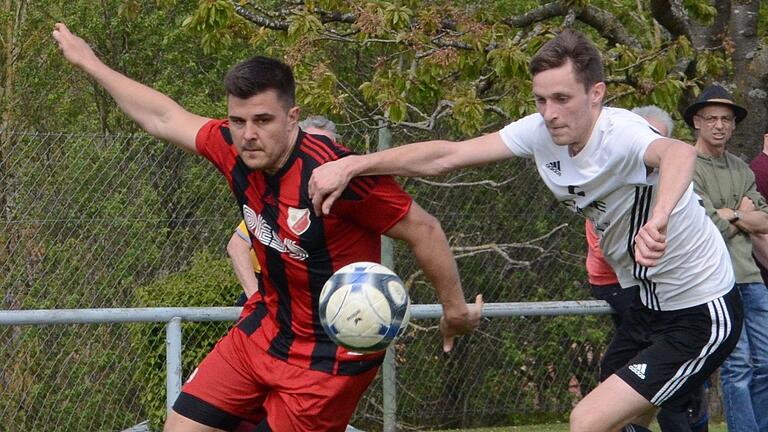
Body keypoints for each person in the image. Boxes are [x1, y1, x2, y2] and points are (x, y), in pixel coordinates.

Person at [52, 23, 483, 432]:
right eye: (238, 122)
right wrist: (92, 64)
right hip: (264, 329)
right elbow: (164, 117)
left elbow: (424, 229)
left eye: (263, 120)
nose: (248, 135)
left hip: (327, 362)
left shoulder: (335, 174)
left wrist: (456, 308)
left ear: (292, 117)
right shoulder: (231, 150)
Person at [309, 29, 743, 432]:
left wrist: (659, 217)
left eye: (561, 98)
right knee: (618, 423)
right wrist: (355, 164)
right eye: (540, 100)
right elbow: (448, 156)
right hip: (647, 306)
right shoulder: (540, 133)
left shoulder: (622, 133)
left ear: (596, 94)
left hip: (701, 310)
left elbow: (678, 154)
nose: (550, 114)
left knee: (588, 420)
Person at [586, 105, 709, 432]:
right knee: (638, 367)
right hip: (621, 285)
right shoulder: (604, 187)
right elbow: (612, 252)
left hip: (663, 287)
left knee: (674, 360)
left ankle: (684, 396)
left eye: (657, 141)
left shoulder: (674, 186)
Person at [684, 85, 768, 432]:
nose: (719, 125)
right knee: (737, 368)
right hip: (716, 283)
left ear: (733, 126)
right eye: (711, 118)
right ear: (697, 123)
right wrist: (740, 215)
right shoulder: (686, 166)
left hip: (752, 279)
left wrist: (728, 215)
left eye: (726, 119)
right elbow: (704, 227)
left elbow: (764, 220)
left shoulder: (741, 169)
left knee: (765, 363)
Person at [227, 116, 339, 307]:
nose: (319, 156)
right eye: (311, 145)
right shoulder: (276, 201)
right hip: (273, 295)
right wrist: (256, 298)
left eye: (326, 147)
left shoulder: (343, 200)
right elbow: (237, 245)